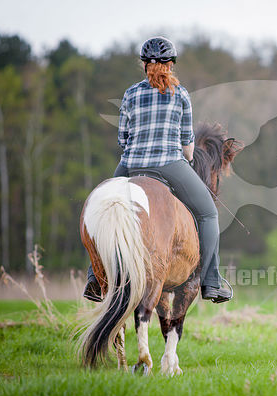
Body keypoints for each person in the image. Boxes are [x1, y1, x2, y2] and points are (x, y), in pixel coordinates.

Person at [83, 36, 232, 304]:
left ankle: (94, 278)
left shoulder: (130, 93)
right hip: (169, 164)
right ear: (171, 64)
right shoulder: (181, 94)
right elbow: (187, 142)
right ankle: (211, 282)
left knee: (101, 210)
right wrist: (183, 159)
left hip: (130, 164)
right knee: (208, 213)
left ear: (143, 64)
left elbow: (123, 139)